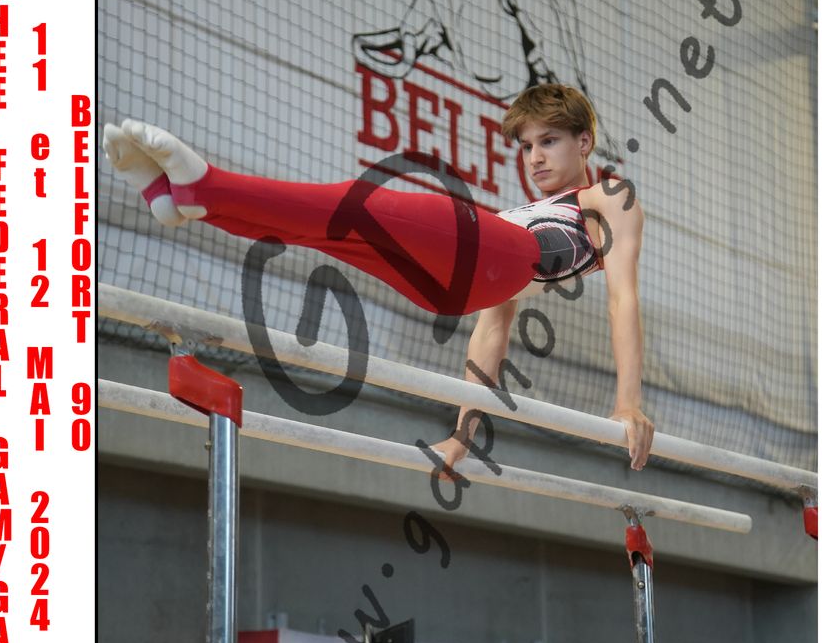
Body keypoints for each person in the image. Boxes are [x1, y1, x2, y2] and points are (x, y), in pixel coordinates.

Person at [102, 83, 653, 469]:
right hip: (456, 286)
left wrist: (627, 402)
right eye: (527, 146)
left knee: (353, 201)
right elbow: (492, 332)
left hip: (500, 259)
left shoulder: (609, 196)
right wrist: (461, 438)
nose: (534, 158)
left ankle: (205, 188)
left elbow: (622, 298)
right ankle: (199, 204)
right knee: (330, 229)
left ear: (584, 143)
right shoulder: (517, 212)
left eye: (548, 141)